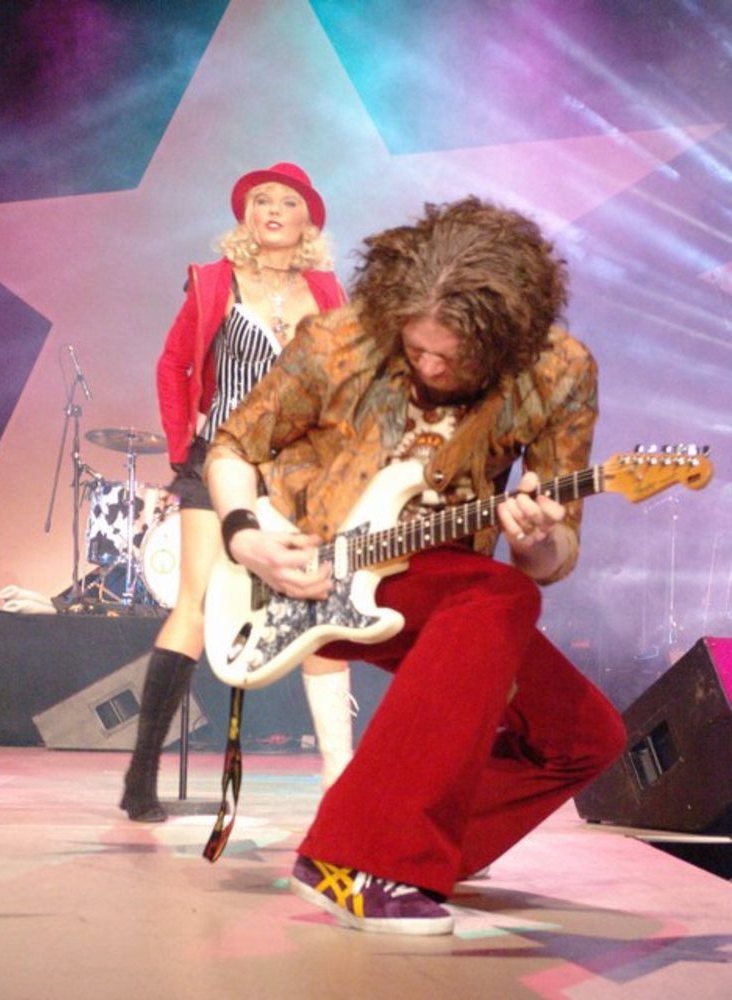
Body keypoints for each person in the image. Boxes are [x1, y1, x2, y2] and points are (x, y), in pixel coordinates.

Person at [204, 195, 627, 936]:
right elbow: (233, 448)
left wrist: (534, 537)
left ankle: (419, 851)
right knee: (498, 597)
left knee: (586, 737)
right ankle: (358, 858)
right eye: (417, 347)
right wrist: (244, 537)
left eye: (452, 358)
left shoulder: (557, 371)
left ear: (506, 341)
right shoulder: (339, 340)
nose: (430, 366)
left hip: (442, 581)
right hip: (312, 569)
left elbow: (552, 556)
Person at [120, 163, 351, 822]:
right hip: (221, 454)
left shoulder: (328, 291)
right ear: (246, 216)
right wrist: (179, 446)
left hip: (301, 470)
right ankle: (140, 776)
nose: (271, 209)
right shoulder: (215, 280)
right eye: (260, 200)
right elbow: (173, 364)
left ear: (308, 219)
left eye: (286, 201)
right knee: (193, 603)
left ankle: (340, 782)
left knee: (319, 605)